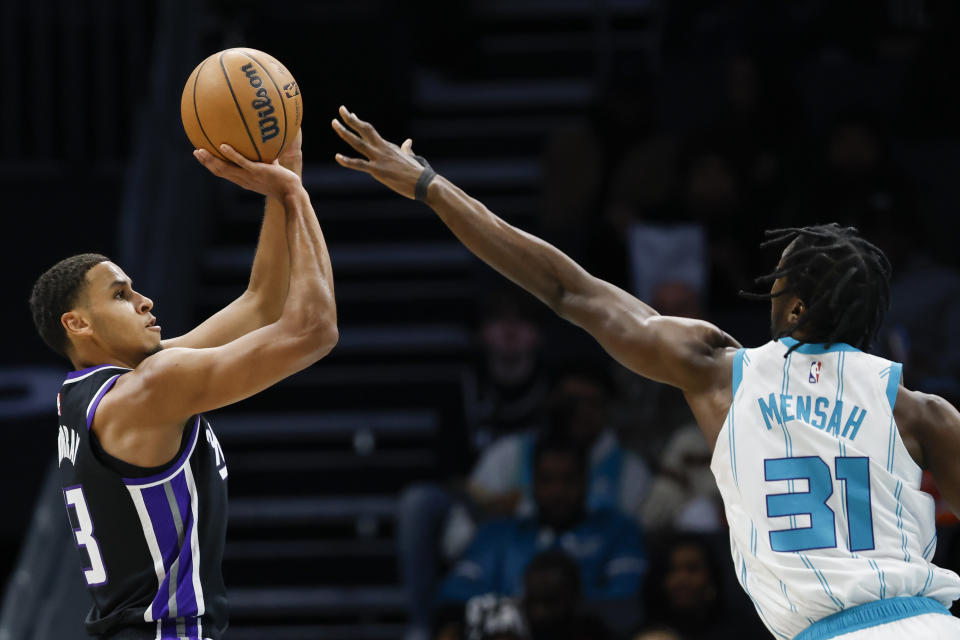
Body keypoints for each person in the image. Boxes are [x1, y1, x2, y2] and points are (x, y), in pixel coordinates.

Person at [332, 106, 960, 638]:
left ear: (794, 306)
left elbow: (565, 290)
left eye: (779, 281)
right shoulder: (921, 411)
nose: (767, 292)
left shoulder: (722, 373)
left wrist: (430, 187)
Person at [30, 132, 338, 639]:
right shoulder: (148, 389)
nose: (145, 300)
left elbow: (261, 302)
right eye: (121, 295)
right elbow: (314, 329)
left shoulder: (96, 392)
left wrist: (287, 178)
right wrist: (298, 198)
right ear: (78, 325)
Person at [437, 436, 646, 607]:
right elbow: (453, 592)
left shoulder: (618, 531)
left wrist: (560, 603)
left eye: (568, 479)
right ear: (532, 483)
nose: (557, 492)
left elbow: (626, 599)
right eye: (547, 480)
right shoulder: (497, 534)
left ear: (585, 480)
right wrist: (518, 606)